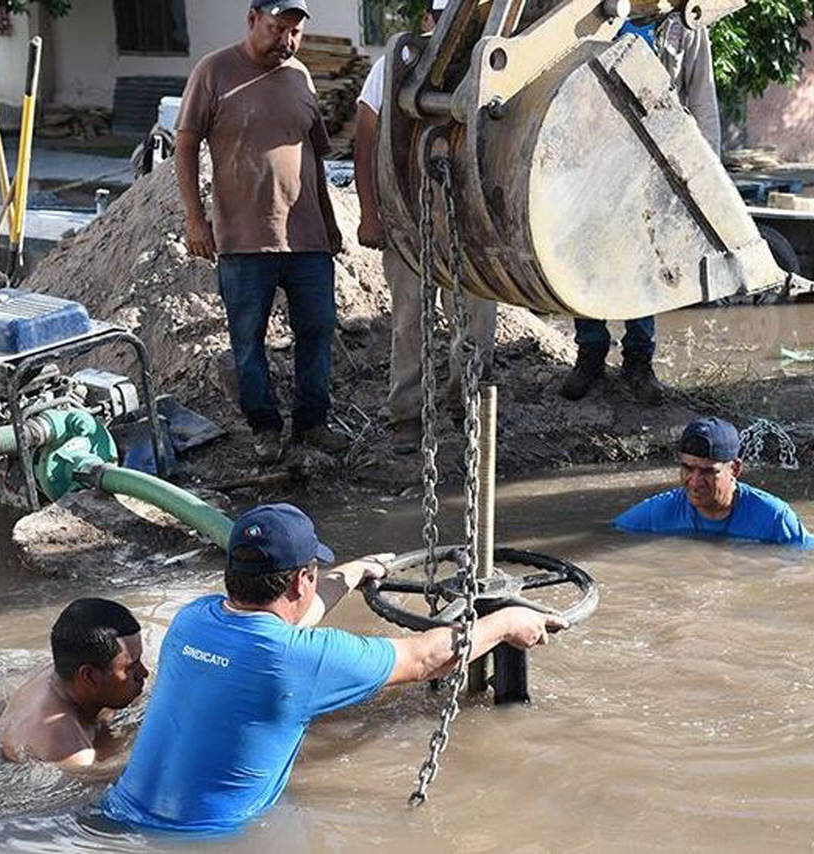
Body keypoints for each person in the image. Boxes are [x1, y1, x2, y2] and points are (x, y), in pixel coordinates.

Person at [100, 503, 563, 834]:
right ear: (303, 579)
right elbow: (427, 658)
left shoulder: (192, 620)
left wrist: (352, 573)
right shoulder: (299, 661)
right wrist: (506, 622)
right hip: (209, 839)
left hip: (117, 815)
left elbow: (283, 621)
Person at [176, 0, 350, 465]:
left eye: (295, 32)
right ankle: (265, 427)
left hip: (307, 238)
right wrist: (196, 219)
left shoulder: (301, 77)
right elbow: (186, 145)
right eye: (277, 29)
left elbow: (314, 160)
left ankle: (312, 423)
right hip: (243, 241)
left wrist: (331, 224)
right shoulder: (213, 72)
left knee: (316, 330)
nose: (286, 41)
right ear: (253, 20)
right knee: (247, 339)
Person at [353, 0, 497, 454]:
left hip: (469, 226)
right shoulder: (392, 69)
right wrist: (370, 213)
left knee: (476, 323)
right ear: (427, 21)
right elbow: (365, 140)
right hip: (406, 218)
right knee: (409, 322)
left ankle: (466, 403)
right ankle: (406, 415)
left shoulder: (487, 68)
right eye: (441, 19)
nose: (450, 31)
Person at [560, 12, 722, 405]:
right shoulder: (586, 12)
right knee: (590, 257)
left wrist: (709, 178)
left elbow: (701, 98)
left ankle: (638, 361)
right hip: (593, 155)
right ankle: (590, 354)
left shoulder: (684, 23)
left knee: (646, 260)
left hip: (655, 160)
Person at [0, 598, 149, 772]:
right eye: (131, 667)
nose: (144, 673)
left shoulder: (67, 671)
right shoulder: (69, 751)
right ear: (89, 676)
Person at [615, 416, 814, 546]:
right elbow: (609, 536)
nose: (694, 482)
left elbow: (809, 562)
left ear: (735, 469)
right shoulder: (658, 512)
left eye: (707, 472)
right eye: (687, 468)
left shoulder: (775, 518)